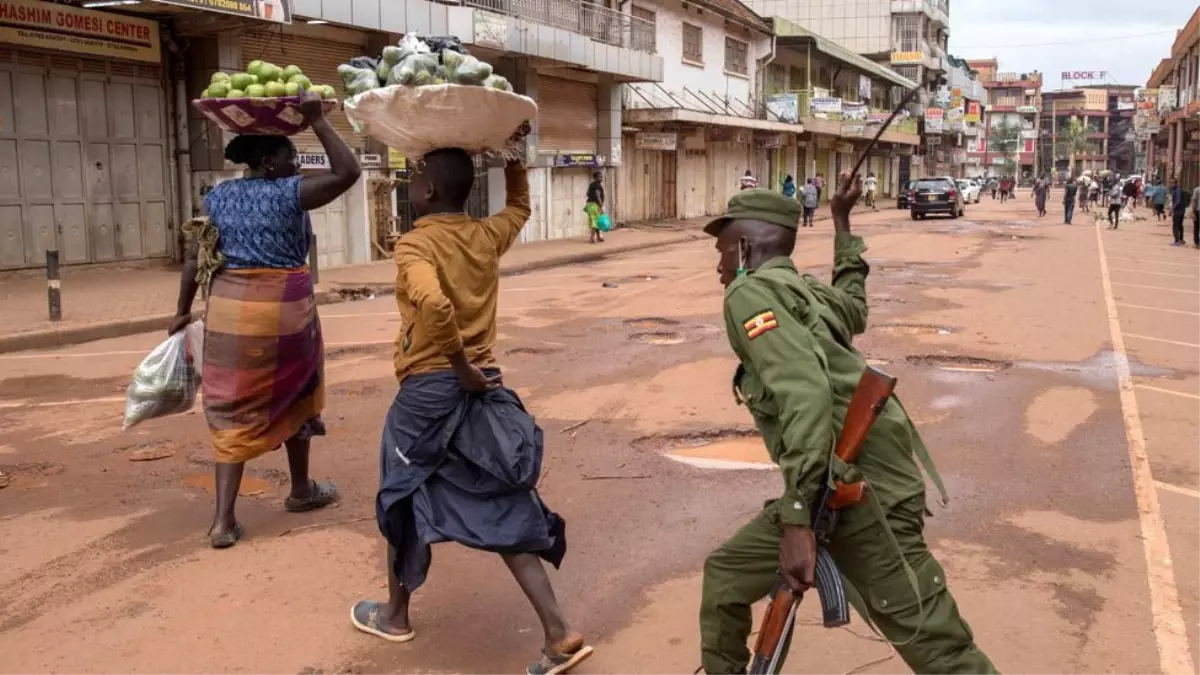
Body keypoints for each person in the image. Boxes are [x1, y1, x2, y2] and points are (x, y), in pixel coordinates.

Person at [696, 175, 996, 675]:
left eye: (723, 249)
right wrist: (841, 221)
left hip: (859, 492)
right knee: (727, 575)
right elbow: (854, 309)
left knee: (933, 643)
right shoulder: (802, 288)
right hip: (830, 481)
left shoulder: (749, 295)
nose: (719, 265)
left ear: (745, 247)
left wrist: (796, 519)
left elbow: (805, 396)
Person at [351, 146, 592, 675]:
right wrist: (513, 160)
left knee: (400, 490)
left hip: (432, 391)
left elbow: (434, 305)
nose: (410, 185)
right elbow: (521, 208)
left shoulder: (415, 243)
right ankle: (557, 631)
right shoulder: (485, 235)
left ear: (430, 191)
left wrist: (457, 364)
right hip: (483, 386)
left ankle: (394, 616)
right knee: (502, 494)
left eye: (414, 178)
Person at [168, 90, 360, 548]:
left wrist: (180, 311)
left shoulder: (218, 198)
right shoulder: (288, 193)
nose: (296, 163)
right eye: (289, 155)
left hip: (231, 315)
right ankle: (299, 490)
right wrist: (316, 119)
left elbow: (197, 258)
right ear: (270, 162)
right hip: (285, 315)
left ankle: (222, 521)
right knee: (297, 390)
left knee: (231, 407)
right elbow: (348, 172)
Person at [585, 170, 605, 244]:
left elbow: (587, 193)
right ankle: (592, 238)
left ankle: (598, 236)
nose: (601, 179)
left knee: (597, 221)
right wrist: (601, 206)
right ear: (596, 178)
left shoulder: (591, 184)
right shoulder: (597, 185)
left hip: (590, 205)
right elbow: (598, 196)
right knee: (595, 222)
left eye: (602, 177)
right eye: (600, 177)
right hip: (594, 205)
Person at [1170, 178, 1190, 246]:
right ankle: (1181, 239)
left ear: (1176, 183)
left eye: (1172, 183)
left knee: (1175, 226)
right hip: (1182, 211)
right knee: (1180, 225)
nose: (1171, 184)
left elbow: (1177, 201)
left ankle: (1176, 241)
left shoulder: (1177, 191)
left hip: (1177, 211)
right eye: (1171, 183)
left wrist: (1172, 209)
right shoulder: (1179, 190)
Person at [1193, 182, 1200, 246]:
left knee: (1196, 227)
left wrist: (1193, 213)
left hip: (1198, 211)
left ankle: (1197, 242)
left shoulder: (1197, 190)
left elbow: (1194, 201)